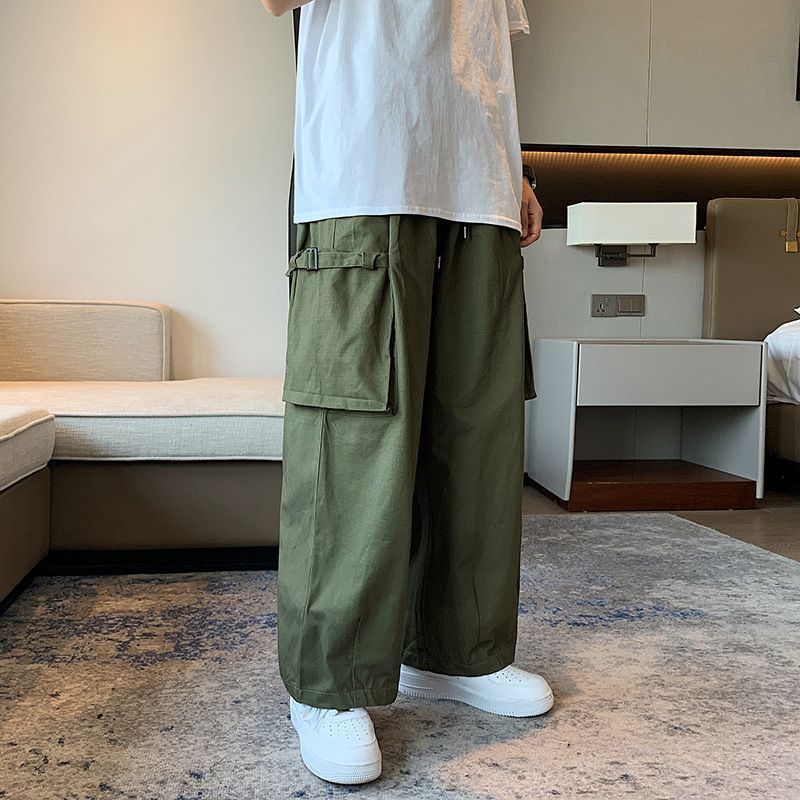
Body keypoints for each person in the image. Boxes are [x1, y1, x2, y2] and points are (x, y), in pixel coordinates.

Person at [261, 0, 550, 786]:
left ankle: (456, 650)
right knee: (353, 433)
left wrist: (515, 163)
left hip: (479, 180)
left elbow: (480, 48)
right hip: (363, 162)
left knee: (477, 426)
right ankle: (325, 680)